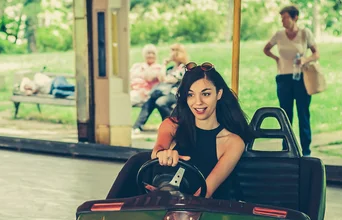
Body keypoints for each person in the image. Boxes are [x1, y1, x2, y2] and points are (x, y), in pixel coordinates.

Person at [107, 62, 253, 200]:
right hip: (163, 204)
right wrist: (162, 155)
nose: (198, 102)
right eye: (190, 95)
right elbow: (158, 148)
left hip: (203, 210)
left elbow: (205, 193)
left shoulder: (232, 142)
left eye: (206, 94)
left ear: (219, 94)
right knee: (137, 160)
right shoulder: (172, 125)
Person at [263, 4, 320, 156]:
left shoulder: (305, 33)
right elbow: (266, 49)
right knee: (285, 115)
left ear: (295, 18)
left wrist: (305, 59)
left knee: (303, 113)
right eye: (281, 18)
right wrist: (276, 59)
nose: (283, 21)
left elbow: (316, 54)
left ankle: (306, 150)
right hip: (284, 78)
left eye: (286, 17)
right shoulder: (279, 34)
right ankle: (286, 148)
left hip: (301, 78)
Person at [132, 43, 189, 135]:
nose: (171, 53)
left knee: (160, 102)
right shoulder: (171, 68)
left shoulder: (183, 67)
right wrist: (164, 64)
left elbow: (170, 80)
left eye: (173, 51)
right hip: (167, 92)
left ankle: (172, 125)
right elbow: (162, 78)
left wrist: (165, 78)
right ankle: (137, 126)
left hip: (176, 94)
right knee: (151, 100)